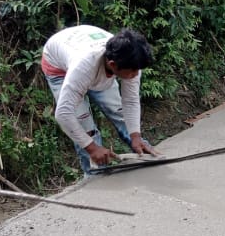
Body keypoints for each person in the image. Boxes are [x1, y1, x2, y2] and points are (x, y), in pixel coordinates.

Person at [41, 25, 159, 175]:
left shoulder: (130, 59)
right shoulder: (84, 67)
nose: (136, 75)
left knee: (118, 110)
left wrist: (136, 136)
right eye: (133, 72)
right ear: (112, 65)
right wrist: (92, 148)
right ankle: (95, 175)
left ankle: (141, 149)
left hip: (85, 55)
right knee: (85, 127)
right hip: (59, 69)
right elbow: (63, 114)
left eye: (138, 70)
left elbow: (130, 100)